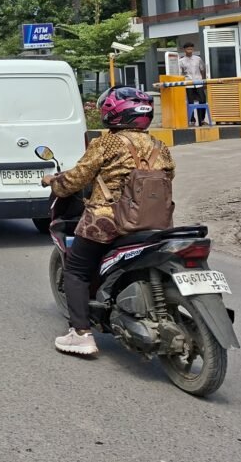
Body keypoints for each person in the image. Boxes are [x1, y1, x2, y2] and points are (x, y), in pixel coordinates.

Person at [41, 87, 175, 357]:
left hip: (107, 221)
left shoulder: (106, 143)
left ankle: (80, 334)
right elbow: (168, 177)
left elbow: (77, 178)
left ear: (111, 114)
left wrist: (54, 182)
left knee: (77, 270)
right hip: (154, 222)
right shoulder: (161, 147)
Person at [178, 42, 207, 125]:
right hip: (188, 84)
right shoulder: (181, 61)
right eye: (188, 49)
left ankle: (202, 119)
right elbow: (180, 74)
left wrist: (204, 81)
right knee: (190, 102)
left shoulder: (198, 59)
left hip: (199, 82)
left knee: (202, 100)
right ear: (184, 50)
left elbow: (202, 69)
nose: (189, 51)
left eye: (191, 49)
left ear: (193, 49)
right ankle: (192, 120)